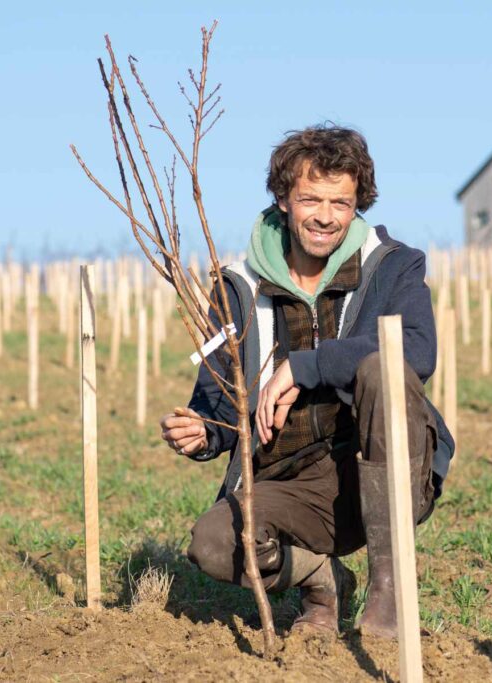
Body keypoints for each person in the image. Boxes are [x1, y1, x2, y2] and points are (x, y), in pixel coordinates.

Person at [158, 124, 453, 638]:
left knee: (381, 367)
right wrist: (204, 433)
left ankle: (388, 590)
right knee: (212, 544)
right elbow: (221, 402)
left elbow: (417, 351)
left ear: (359, 202)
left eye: (340, 202)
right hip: (289, 479)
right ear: (283, 200)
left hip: (379, 467)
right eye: (310, 198)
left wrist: (306, 365)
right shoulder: (236, 288)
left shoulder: (394, 267)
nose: (324, 215)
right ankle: (321, 580)